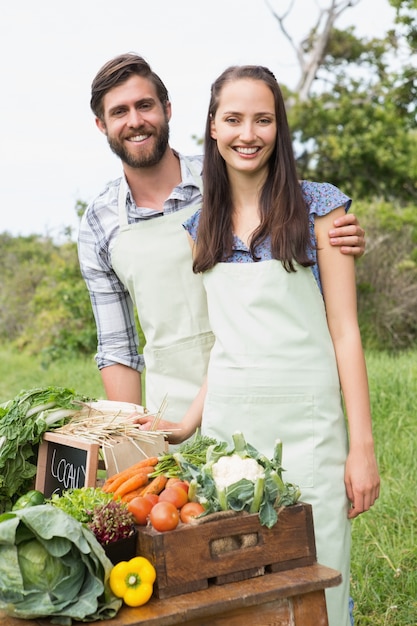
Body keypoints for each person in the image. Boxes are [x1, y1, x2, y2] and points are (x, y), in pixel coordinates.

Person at [138, 65, 380, 626]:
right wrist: (184, 426)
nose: (249, 133)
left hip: (311, 430)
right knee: (241, 589)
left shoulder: (321, 210)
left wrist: (361, 447)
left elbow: (345, 333)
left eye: (263, 119)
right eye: (235, 119)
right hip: (231, 438)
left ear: (279, 128)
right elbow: (228, 340)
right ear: (214, 130)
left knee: (317, 580)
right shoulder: (200, 226)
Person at [78, 52, 366, 428]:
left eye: (145, 105)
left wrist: (337, 235)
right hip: (170, 412)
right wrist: (128, 442)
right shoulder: (99, 223)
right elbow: (118, 348)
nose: (135, 121)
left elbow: (292, 207)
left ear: (167, 109)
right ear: (101, 124)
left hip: (263, 390)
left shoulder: (226, 173)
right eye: (120, 112)